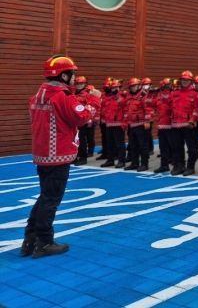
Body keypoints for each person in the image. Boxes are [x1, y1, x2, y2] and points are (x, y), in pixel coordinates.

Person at [22, 55, 101, 258]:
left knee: (44, 197)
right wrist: (94, 100)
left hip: (43, 155)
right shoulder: (61, 96)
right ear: (63, 75)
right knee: (51, 199)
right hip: (58, 155)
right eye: (72, 73)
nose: (74, 77)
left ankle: (30, 239)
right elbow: (82, 117)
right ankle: (44, 242)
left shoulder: (41, 93)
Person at [170, 70, 198, 176]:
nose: (185, 81)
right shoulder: (174, 93)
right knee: (177, 147)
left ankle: (191, 167)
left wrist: (192, 120)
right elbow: (169, 107)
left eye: (187, 80)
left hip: (189, 125)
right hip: (176, 124)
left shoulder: (195, 94)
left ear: (191, 81)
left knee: (191, 148)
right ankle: (179, 166)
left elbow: (197, 109)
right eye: (183, 80)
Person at [123, 77, 154, 172]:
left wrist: (147, 121)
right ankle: (134, 163)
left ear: (139, 86)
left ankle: (144, 164)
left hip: (141, 125)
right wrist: (125, 122)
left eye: (135, 86)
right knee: (133, 145)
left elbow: (148, 109)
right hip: (132, 125)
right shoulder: (128, 96)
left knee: (143, 146)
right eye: (131, 86)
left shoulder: (144, 95)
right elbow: (126, 110)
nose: (133, 88)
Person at [100, 79, 126, 169]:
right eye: (112, 88)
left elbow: (125, 110)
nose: (113, 89)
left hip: (118, 124)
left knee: (119, 144)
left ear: (119, 88)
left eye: (115, 88)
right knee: (109, 143)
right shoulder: (108, 98)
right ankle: (110, 160)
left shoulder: (122, 97)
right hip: (109, 124)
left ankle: (121, 161)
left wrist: (124, 123)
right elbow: (105, 109)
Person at [153, 78, 173, 173]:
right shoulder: (158, 96)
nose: (168, 87)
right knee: (163, 147)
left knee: (173, 147)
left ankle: (177, 164)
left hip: (171, 125)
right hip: (161, 125)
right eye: (167, 85)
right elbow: (152, 106)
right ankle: (164, 165)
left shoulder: (173, 95)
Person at [73, 76, 94, 165]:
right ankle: (74, 156)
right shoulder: (73, 93)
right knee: (74, 139)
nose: (79, 85)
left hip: (82, 120)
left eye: (81, 84)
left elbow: (91, 107)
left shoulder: (87, 94)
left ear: (85, 84)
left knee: (82, 139)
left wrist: (89, 119)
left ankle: (83, 157)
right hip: (74, 120)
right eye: (77, 84)